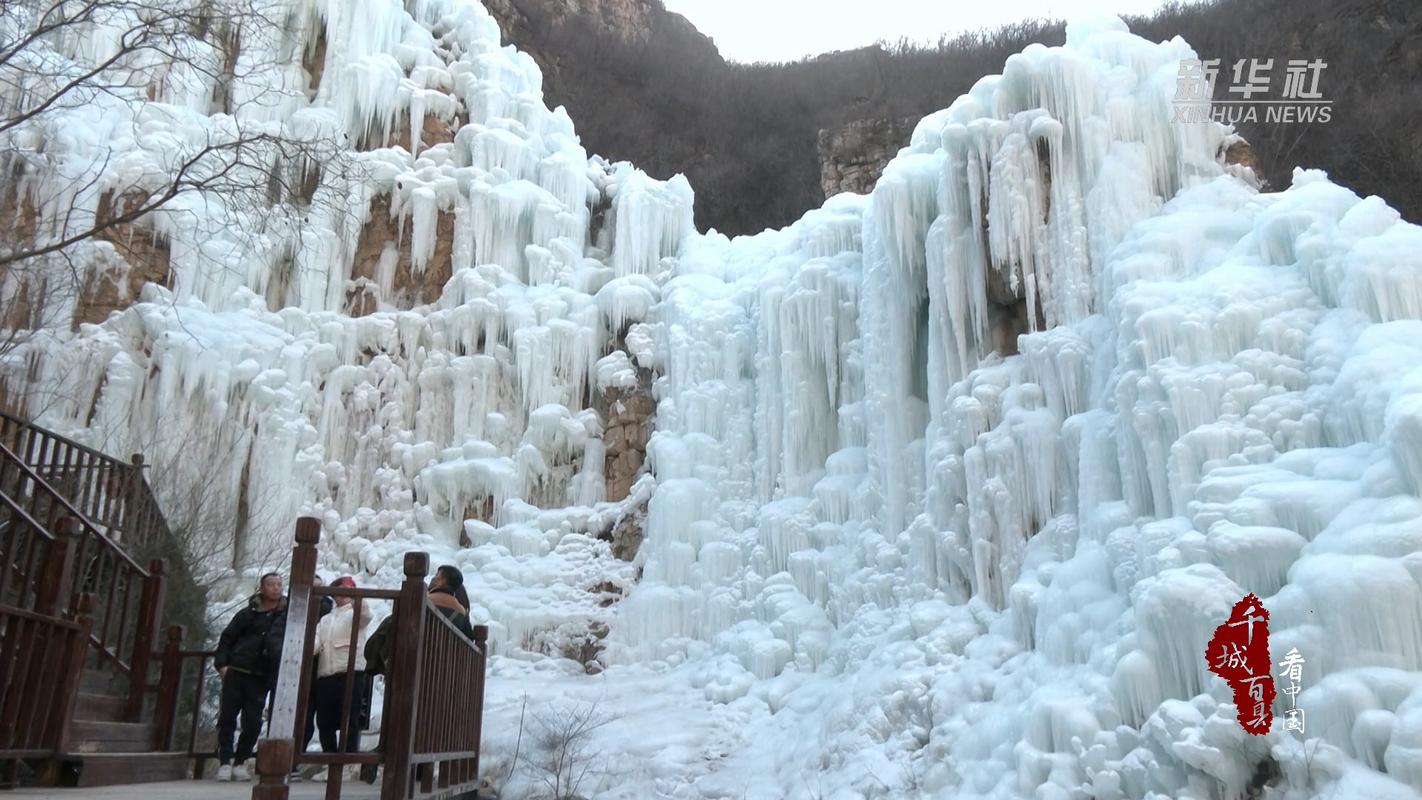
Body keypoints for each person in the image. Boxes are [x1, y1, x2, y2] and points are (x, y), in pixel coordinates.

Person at [213, 572, 286, 782]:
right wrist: (222, 664)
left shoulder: (286, 613)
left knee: (253, 721)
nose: (276, 588)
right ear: (262, 588)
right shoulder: (248, 613)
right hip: (237, 671)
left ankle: (241, 761)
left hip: (261, 675)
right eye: (271, 584)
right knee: (227, 717)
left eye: (279, 584)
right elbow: (228, 637)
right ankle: (225, 761)